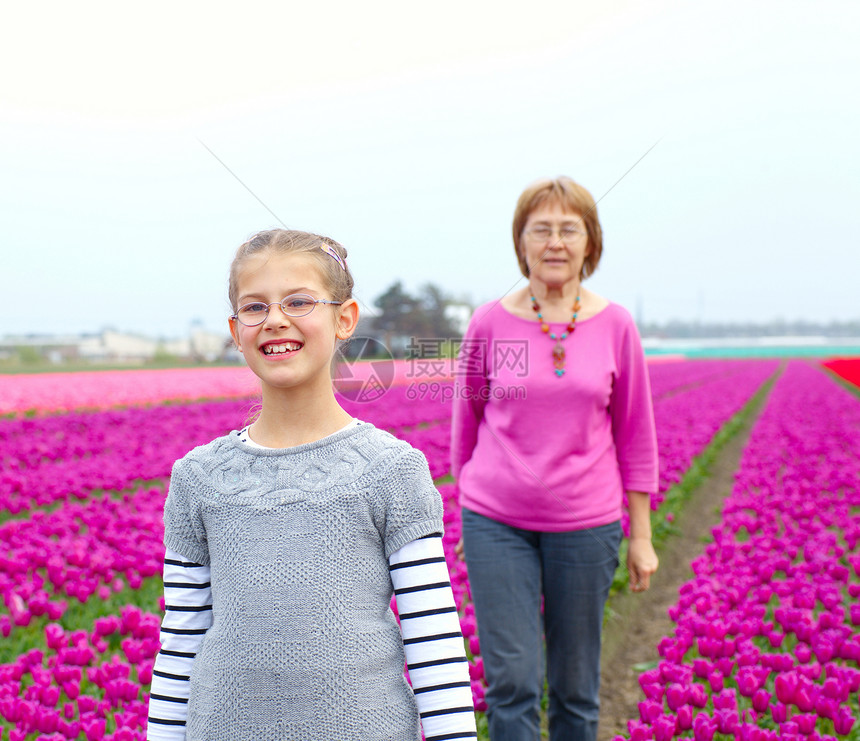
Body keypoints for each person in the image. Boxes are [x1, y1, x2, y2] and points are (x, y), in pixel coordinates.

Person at [147, 229, 477, 741]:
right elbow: (180, 644)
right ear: (236, 331)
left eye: (299, 301)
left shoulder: (391, 470)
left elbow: (432, 638)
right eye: (255, 307)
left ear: (344, 319)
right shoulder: (199, 478)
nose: (275, 319)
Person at [451, 177, 659, 741]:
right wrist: (468, 509)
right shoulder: (489, 322)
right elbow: (466, 425)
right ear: (520, 242)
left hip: (585, 526)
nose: (555, 242)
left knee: (574, 687)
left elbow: (636, 435)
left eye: (569, 229)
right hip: (496, 521)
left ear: (590, 242)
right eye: (540, 229)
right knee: (512, 682)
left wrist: (640, 534)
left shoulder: (615, 326)